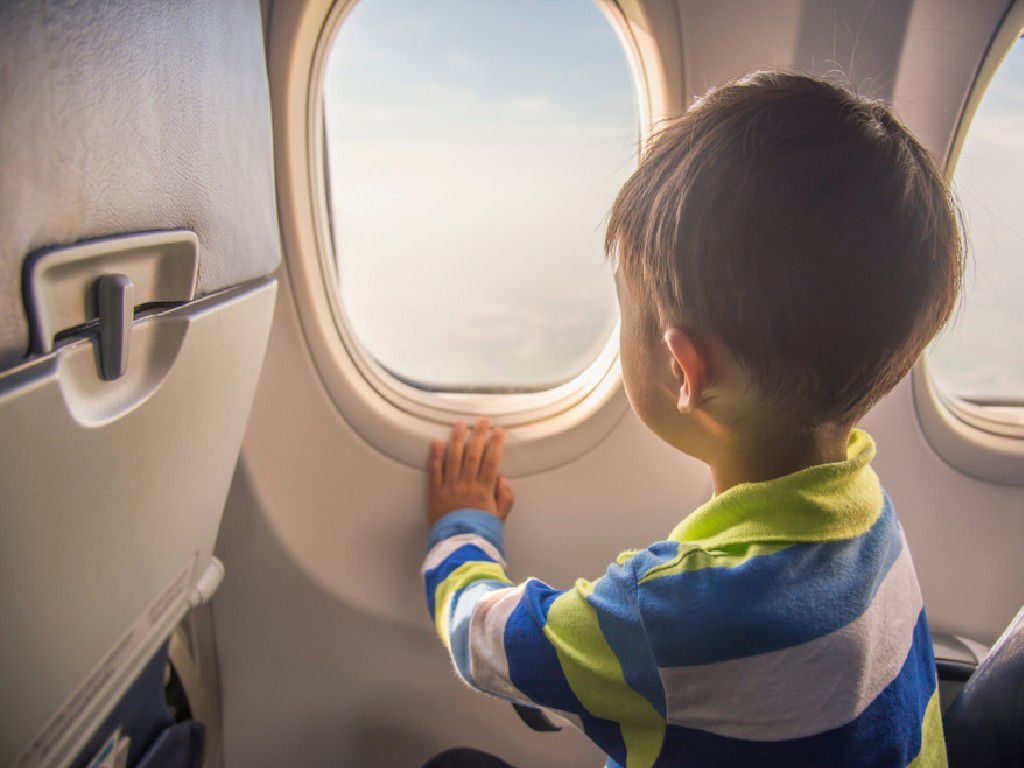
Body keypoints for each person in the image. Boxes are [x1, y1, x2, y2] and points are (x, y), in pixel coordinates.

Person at [422, 70, 962, 767]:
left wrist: (461, 527)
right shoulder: (873, 523)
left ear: (684, 369)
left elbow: (483, 643)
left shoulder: (665, 617)